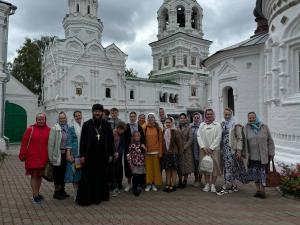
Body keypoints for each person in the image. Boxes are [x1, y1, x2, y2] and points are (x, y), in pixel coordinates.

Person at [76, 104, 114, 206]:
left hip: (102, 156)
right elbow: (82, 141)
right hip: (89, 156)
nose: (97, 113)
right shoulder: (87, 124)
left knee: (101, 177)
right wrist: (82, 155)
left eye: (99, 111)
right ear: (92, 112)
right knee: (88, 177)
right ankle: (88, 198)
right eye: (95, 111)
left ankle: (99, 197)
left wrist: (111, 154)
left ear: (102, 113)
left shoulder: (106, 125)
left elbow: (111, 141)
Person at [19, 113, 50, 203]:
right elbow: (24, 142)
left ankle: (37, 193)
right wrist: (22, 154)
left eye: (42, 119)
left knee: (39, 176)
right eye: (39, 119)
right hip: (32, 157)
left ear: (45, 120)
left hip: (43, 157)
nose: (41, 121)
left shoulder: (49, 130)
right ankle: (35, 195)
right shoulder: (30, 129)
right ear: (36, 120)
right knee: (34, 175)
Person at [243, 112, 275, 199]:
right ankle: (258, 190)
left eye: (253, 117)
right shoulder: (246, 128)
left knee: (262, 174)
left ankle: (263, 191)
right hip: (252, 156)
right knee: (255, 174)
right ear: (248, 118)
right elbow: (243, 141)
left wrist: (271, 152)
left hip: (263, 155)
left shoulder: (264, 126)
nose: (251, 119)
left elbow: (270, 141)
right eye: (250, 118)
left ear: (256, 117)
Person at [217, 108, 244, 196]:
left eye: (229, 115)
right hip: (224, 149)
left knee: (229, 166)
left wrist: (239, 150)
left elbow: (240, 138)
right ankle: (233, 185)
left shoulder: (235, 124)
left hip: (232, 149)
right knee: (228, 166)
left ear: (231, 114)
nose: (227, 116)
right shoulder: (222, 123)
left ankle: (226, 185)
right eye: (225, 114)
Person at [197, 108, 222, 193]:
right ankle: (207, 184)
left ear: (213, 115)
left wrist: (211, 148)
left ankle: (213, 185)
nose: (209, 116)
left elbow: (218, 137)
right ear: (205, 115)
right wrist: (203, 147)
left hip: (214, 150)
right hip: (204, 150)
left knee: (214, 167)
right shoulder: (202, 125)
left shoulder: (217, 125)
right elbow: (199, 136)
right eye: (208, 114)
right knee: (205, 167)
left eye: (211, 114)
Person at [48, 112, 70, 200]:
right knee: (57, 174)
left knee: (63, 173)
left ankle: (62, 191)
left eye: (64, 118)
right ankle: (57, 192)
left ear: (66, 118)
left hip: (66, 154)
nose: (62, 120)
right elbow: (50, 144)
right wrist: (51, 157)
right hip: (58, 155)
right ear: (58, 119)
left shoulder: (68, 128)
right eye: (61, 118)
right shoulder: (55, 128)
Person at [123, 112, 145, 192]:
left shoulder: (139, 127)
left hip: (138, 151)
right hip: (129, 150)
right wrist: (126, 150)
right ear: (129, 117)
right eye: (131, 116)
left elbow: (142, 138)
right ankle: (129, 184)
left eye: (134, 117)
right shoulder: (127, 126)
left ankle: (137, 184)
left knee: (137, 168)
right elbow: (124, 138)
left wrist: (141, 147)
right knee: (129, 167)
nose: (132, 118)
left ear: (136, 118)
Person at [161, 117, 183, 193]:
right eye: (166, 122)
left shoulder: (175, 131)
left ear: (172, 123)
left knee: (173, 169)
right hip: (166, 153)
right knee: (167, 169)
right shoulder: (163, 131)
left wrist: (180, 153)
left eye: (169, 122)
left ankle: (173, 185)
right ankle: (168, 184)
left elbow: (179, 143)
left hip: (174, 153)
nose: (168, 124)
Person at [64, 111, 83, 197]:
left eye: (79, 115)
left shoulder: (85, 126)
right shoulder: (71, 128)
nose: (78, 117)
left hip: (84, 155)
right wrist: (68, 154)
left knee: (83, 173)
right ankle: (76, 193)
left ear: (81, 116)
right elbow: (69, 142)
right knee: (76, 174)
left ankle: (82, 192)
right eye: (76, 116)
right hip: (76, 155)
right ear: (74, 118)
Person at [143, 113, 163, 191]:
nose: (151, 118)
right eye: (149, 117)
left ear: (155, 118)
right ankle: (148, 184)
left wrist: (160, 152)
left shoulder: (158, 129)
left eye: (152, 117)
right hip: (147, 152)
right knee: (148, 169)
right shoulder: (145, 127)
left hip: (155, 152)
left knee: (155, 169)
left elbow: (160, 141)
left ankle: (154, 184)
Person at [127, 131, 147, 196]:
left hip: (141, 163)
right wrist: (130, 163)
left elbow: (145, 153)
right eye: (135, 136)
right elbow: (129, 155)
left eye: (137, 136)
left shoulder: (142, 144)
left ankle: (138, 186)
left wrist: (144, 148)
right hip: (134, 163)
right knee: (135, 176)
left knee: (139, 176)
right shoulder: (131, 145)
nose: (136, 137)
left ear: (139, 137)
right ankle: (135, 188)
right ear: (133, 137)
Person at [177, 113, 194, 189]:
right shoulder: (176, 127)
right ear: (179, 119)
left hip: (187, 149)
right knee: (179, 165)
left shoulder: (189, 127)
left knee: (187, 165)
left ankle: (185, 180)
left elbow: (191, 139)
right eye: (181, 118)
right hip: (178, 148)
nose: (182, 119)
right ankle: (180, 180)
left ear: (186, 119)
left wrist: (185, 147)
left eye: (184, 118)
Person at [111, 121, 127, 197]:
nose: (122, 131)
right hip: (111, 156)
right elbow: (109, 144)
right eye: (121, 130)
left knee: (118, 171)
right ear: (118, 128)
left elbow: (122, 145)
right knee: (113, 172)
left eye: (123, 130)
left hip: (119, 156)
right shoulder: (111, 133)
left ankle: (117, 185)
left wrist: (118, 152)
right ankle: (114, 187)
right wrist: (113, 152)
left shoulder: (122, 135)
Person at [190, 112, 202, 187]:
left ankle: (199, 180)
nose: (196, 119)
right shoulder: (190, 126)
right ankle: (195, 179)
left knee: (200, 165)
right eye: (195, 118)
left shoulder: (202, 126)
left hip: (200, 148)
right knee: (194, 165)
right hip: (192, 148)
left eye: (198, 118)